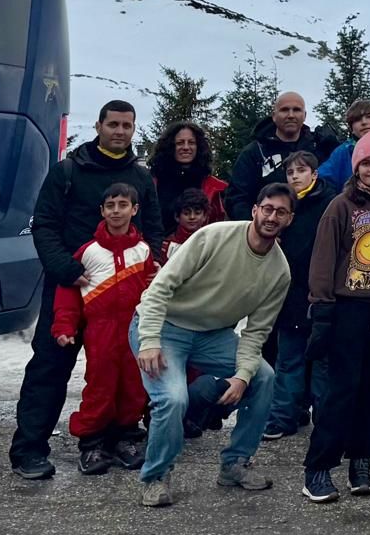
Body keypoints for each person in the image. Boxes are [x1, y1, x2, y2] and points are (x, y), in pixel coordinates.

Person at [11, 101, 164, 480]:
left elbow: (155, 227)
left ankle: (118, 437)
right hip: (71, 285)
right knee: (50, 367)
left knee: (122, 368)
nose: (120, 131)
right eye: (113, 124)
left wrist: (153, 266)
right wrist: (65, 267)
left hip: (123, 292)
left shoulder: (141, 178)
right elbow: (43, 224)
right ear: (98, 126)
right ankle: (28, 449)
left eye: (127, 125)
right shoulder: (68, 172)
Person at [129, 183, 293, 507]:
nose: (272, 216)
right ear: (255, 210)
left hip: (213, 335)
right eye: (268, 208)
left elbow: (256, 333)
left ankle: (235, 463)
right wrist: (148, 340)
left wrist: (243, 376)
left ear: (289, 219)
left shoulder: (279, 272)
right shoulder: (214, 236)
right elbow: (161, 287)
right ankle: (156, 476)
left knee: (264, 377)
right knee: (172, 399)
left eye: (281, 212)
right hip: (163, 326)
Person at [301, 131, 370, 502]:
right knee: (340, 390)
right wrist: (322, 308)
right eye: (366, 163)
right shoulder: (340, 207)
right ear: (356, 168)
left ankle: (360, 461)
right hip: (347, 307)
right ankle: (318, 468)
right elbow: (323, 258)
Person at [50, 181, 156, 475]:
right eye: (110, 206)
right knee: (100, 386)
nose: (116, 211)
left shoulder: (144, 251)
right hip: (101, 332)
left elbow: (154, 292)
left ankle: (125, 437)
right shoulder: (88, 251)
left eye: (123, 205)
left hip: (135, 332)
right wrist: (64, 325)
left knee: (134, 387)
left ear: (134, 210)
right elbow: (68, 293)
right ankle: (92, 443)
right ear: (102, 211)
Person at [262, 151, 335, 442]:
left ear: (314, 174)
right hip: (288, 294)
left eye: (301, 170)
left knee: (321, 363)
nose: (294, 176)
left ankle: (325, 420)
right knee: (288, 360)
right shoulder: (281, 207)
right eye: (290, 172)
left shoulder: (330, 203)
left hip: (321, 294)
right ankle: (283, 417)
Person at [224, 91, 335, 218]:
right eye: (284, 110)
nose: (291, 115)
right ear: (274, 115)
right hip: (266, 230)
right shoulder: (254, 152)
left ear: (304, 115)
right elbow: (237, 198)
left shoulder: (318, 148)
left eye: (297, 110)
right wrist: (254, 229)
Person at [149, 122, 226, 232]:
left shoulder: (216, 188)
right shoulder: (153, 183)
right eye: (180, 143)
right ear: (171, 146)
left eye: (191, 143)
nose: (186, 147)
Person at [318, 100, 370, 189]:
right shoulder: (342, 152)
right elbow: (321, 180)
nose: (364, 122)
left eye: (369, 117)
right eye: (357, 120)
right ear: (351, 128)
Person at [164, 188, 215, 255]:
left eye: (197, 213)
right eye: (186, 213)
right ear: (177, 216)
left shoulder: (211, 244)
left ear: (205, 216)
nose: (192, 217)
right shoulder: (166, 245)